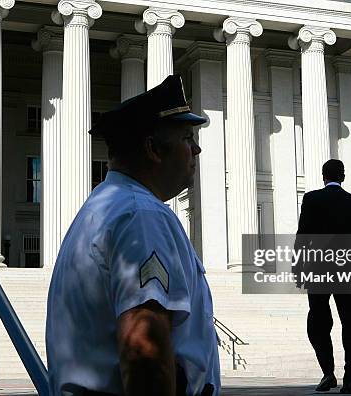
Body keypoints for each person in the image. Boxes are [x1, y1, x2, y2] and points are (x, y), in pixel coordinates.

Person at [45, 75, 220, 396]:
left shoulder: (104, 207)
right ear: (153, 149)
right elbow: (144, 348)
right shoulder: (142, 216)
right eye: (186, 137)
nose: (196, 148)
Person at [293, 159, 351, 394]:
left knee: (317, 321)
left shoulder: (311, 199)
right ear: (343, 177)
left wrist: (297, 268)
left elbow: (302, 235)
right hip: (349, 271)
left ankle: (328, 372)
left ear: (323, 177)